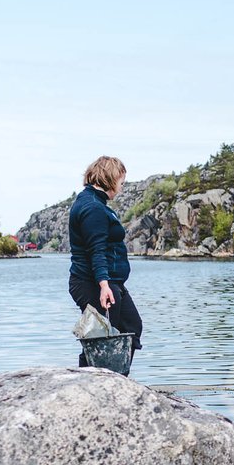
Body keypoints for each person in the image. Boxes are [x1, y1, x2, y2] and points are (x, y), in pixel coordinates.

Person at [68, 156, 142, 372]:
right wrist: (103, 285)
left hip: (108, 282)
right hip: (92, 282)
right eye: (121, 180)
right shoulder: (93, 208)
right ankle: (93, 381)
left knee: (130, 326)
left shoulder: (94, 203)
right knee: (101, 336)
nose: (122, 186)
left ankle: (117, 379)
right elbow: (96, 250)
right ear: (110, 177)